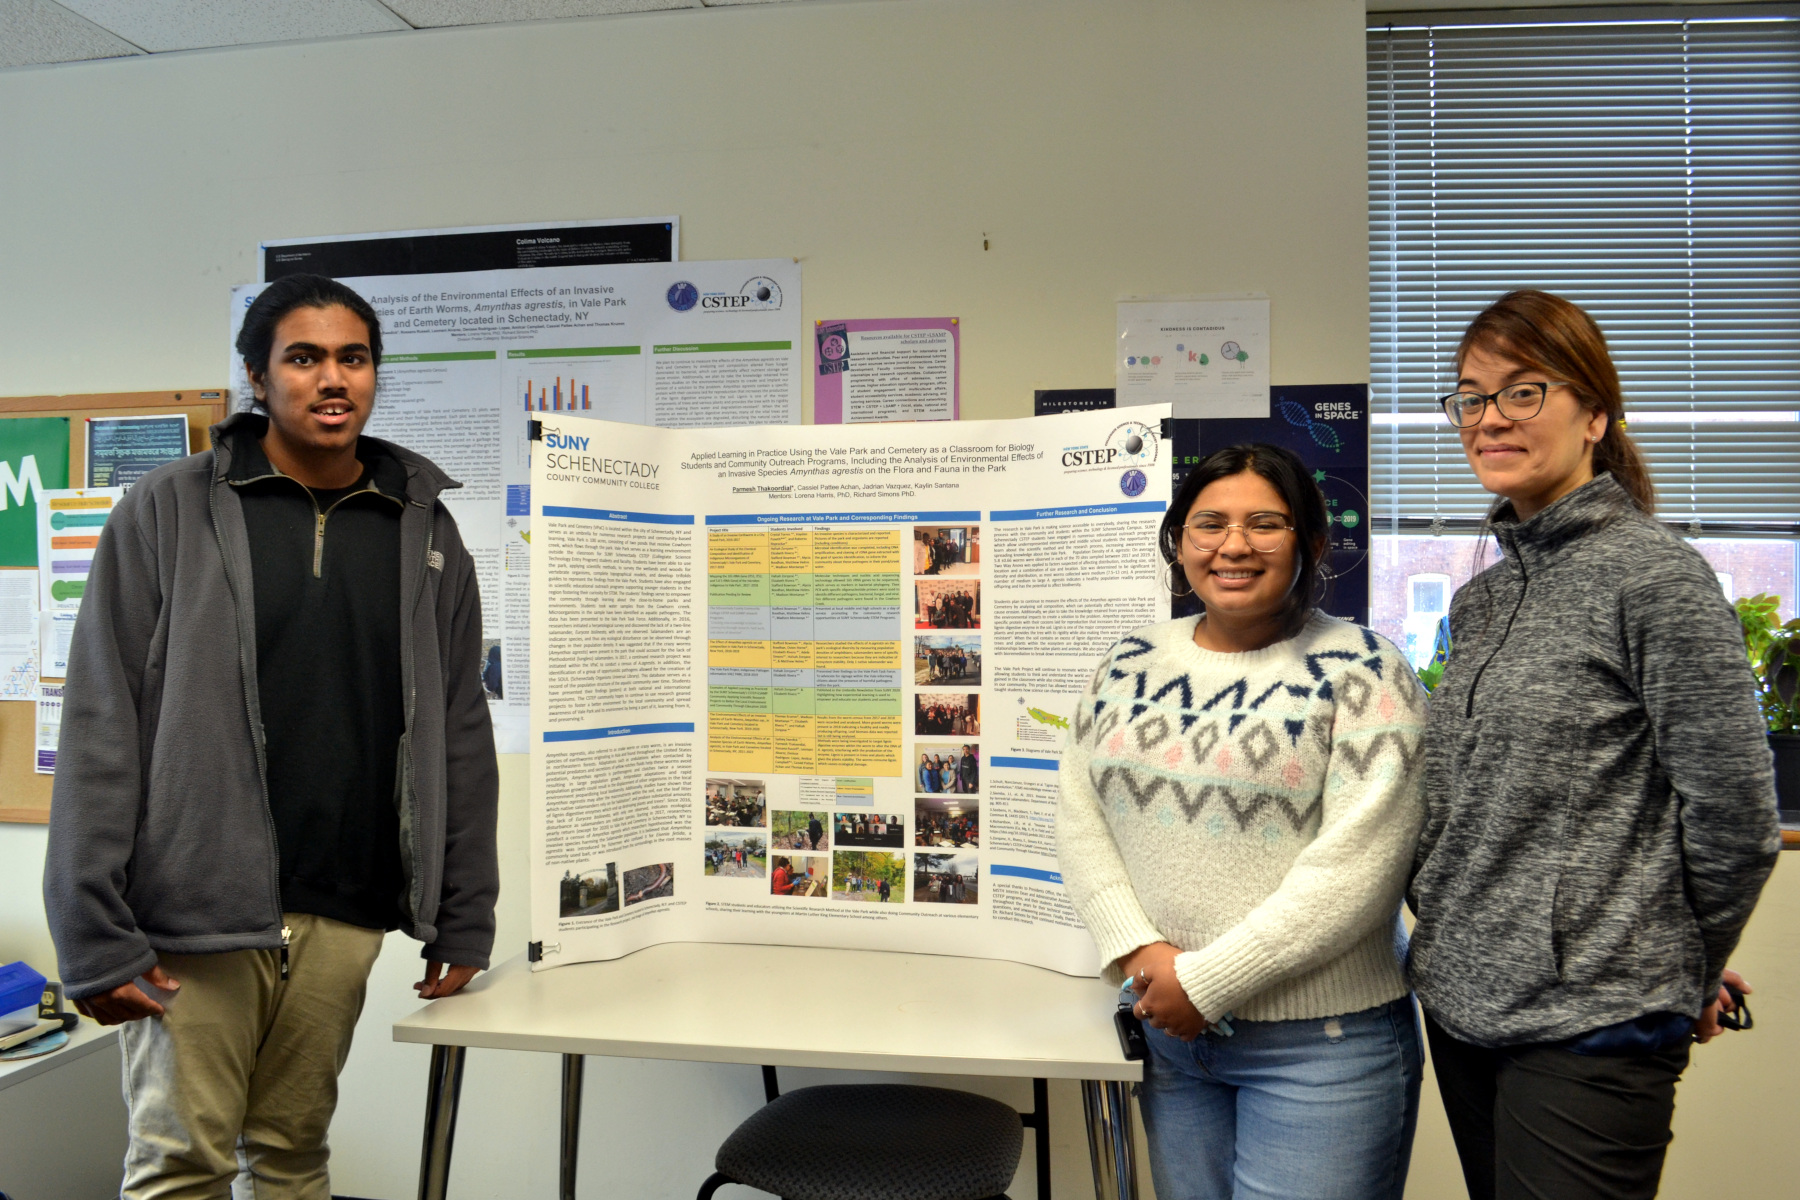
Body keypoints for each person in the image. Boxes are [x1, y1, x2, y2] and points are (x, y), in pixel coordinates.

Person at [42, 274, 499, 1200]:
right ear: (258, 376)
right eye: (304, 357)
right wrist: (90, 932)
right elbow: (101, 722)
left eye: (353, 358)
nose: (332, 379)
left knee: (292, 1161)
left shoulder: (426, 528)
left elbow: (458, 727)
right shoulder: (166, 512)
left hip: (345, 907)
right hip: (189, 916)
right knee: (182, 1168)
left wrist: (465, 908)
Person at [1407, 290, 1779, 1200]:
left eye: (1523, 391)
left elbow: (1736, 817)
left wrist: (1671, 961)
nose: (1489, 417)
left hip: (1588, 1027)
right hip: (1462, 1006)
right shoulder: (1482, 600)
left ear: (1596, 414)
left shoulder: (1654, 577)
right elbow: (1486, 804)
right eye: (1470, 396)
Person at [1057, 442, 1428, 1200]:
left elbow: (1362, 865)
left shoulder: (1366, 670)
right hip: (1173, 1038)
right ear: (1179, 541)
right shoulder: (1125, 666)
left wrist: (1205, 982)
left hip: (1324, 1051)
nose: (1233, 545)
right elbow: (1080, 816)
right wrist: (1138, 952)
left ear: (1313, 543)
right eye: (1209, 524)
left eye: (1265, 523)